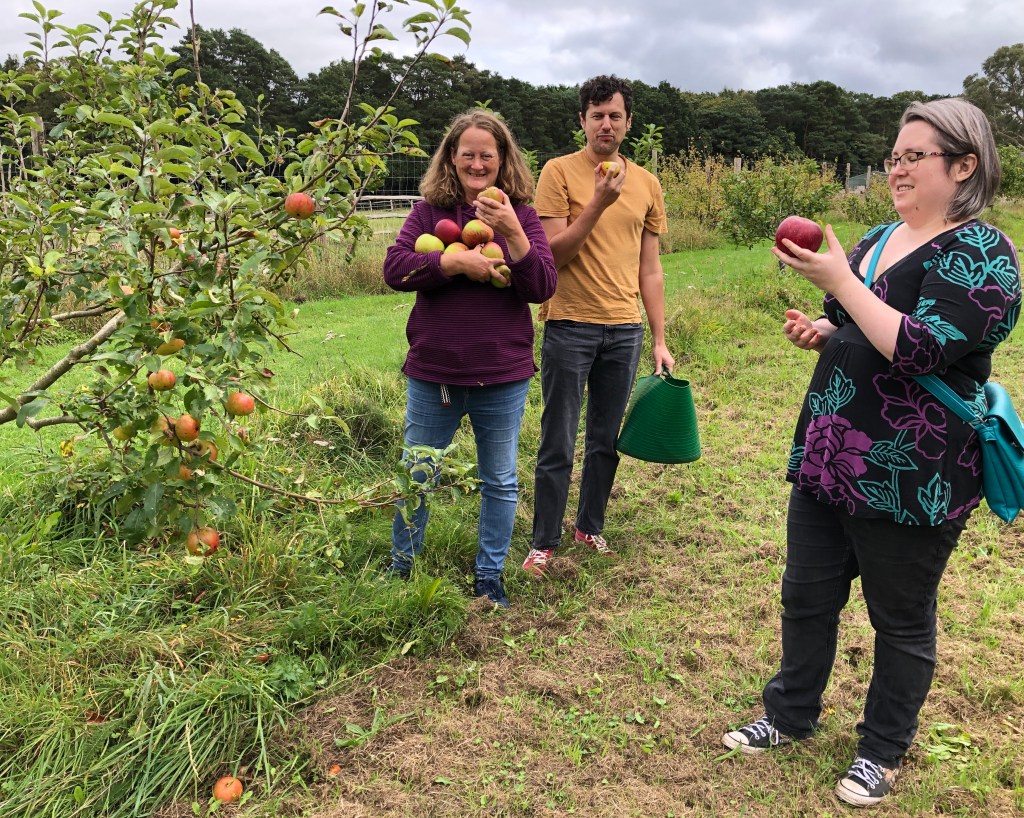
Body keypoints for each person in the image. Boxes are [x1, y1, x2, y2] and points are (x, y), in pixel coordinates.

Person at [721, 98, 1021, 808]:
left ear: (964, 166)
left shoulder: (983, 253)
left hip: (912, 468)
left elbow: (922, 347)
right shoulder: (879, 236)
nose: (897, 168)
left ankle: (881, 751)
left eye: (915, 156)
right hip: (832, 451)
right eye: (894, 156)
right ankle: (790, 714)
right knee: (806, 595)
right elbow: (856, 320)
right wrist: (825, 329)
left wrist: (841, 284)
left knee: (900, 617)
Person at [382, 109, 557, 607]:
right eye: (467, 155)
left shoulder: (521, 215)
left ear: (503, 161)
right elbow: (395, 269)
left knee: (499, 479)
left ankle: (489, 575)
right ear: (451, 159)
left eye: (487, 155)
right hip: (435, 370)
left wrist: (513, 233)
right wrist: (453, 262)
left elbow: (542, 286)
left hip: (501, 372)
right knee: (419, 471)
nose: (477, 164)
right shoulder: (428, 213)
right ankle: (401, 565)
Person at [522, 75, 675, 577]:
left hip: (625, 329)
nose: (605, 124)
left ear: (628, 122)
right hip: (569, 323)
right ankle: (543, 542)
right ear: (582, 121)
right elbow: (552, 254)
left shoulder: (647, 184)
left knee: (605, 439)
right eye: (596, 115)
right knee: (558, 440)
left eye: (614, 115)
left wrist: (659, 338)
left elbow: (650, 269)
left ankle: (589, 527)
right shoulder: (559, 172)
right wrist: (598, 203)